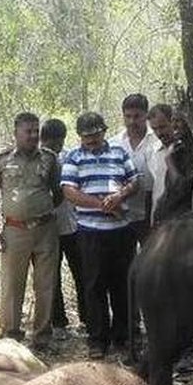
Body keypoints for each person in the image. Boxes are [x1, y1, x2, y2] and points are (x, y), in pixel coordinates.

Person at [61, 112, 140, 359]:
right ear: (81, 137)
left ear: (103, 132)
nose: (92, 142)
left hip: (121, 232)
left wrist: (120, 196)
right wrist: (101, 205)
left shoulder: (119, 153)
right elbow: (69, 192)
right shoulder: (73, 157)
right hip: (90, 233)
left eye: (95, 136)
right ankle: (97, 340)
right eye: (87, 138)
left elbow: (135, 180)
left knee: (123, 285)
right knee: (94, 286)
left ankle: (123, 337)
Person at [0, 112, 62, 351]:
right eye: (28, 131)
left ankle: (42, 338)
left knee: (46, 285)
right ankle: (12, 337)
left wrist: (42, 210)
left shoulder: (49, 159)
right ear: (16, 133)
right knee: (12, 286)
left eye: (36, 131)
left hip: (45, 230)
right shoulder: (2, 159)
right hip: (14, 231)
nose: (33, 136)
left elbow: (58, 192)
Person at [41, 118, 86, 338]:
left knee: (82, 273)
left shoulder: (70, 157)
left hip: (73, 224)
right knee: (51, 277)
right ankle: (58, 322)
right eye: (53, 142)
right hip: (46, 229)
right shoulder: (38, 160)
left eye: (60, 142)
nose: (57, 146)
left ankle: (87, 318)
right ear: (44, 139)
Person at [110, 93, 159, 243]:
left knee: (152, 259)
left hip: (152, 209)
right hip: (122, 211)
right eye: (128, 116)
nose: (132, 121)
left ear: (146, 115)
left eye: (137, 116)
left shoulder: (157, 141)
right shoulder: (114, 144)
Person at [147, 104, 193, 224]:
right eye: (155, 129)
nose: (159, 133)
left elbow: (182, 189)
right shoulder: (151, 151)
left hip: (181, 222)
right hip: (160, 222)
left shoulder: (186, 153)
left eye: (163, 127)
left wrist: (170, 161)